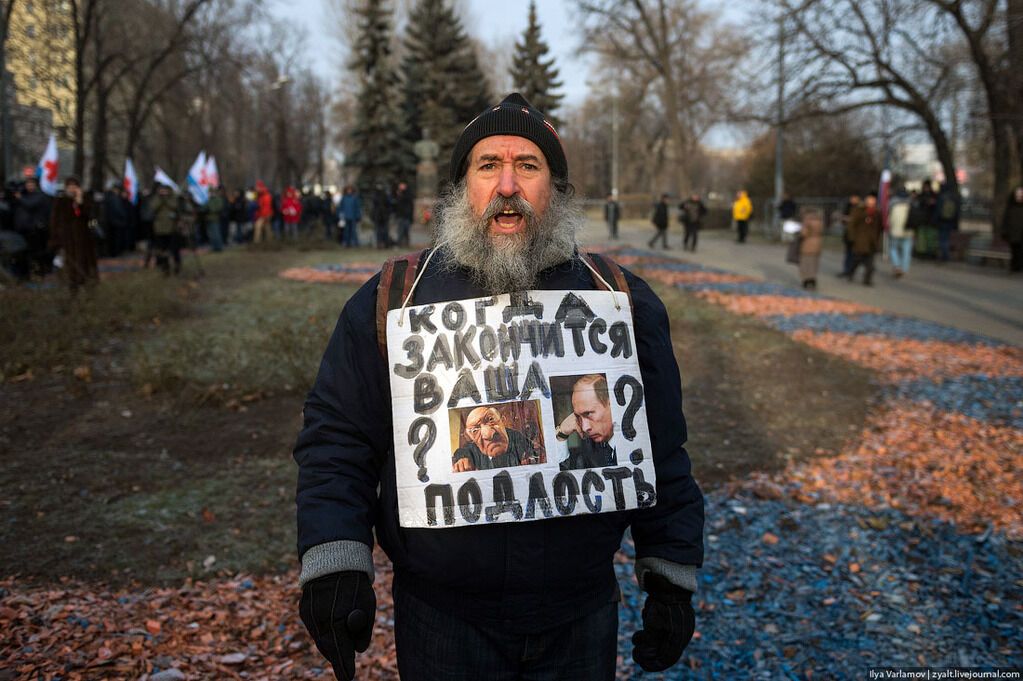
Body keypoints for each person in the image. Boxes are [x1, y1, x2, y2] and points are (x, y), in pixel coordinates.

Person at [295, 92, 704, 681]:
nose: (507, 185)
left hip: (580, 613)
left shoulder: (619, 300)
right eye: (488, 166)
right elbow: (337, 439)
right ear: (464, 186)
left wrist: (670, 575)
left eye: (528, 166)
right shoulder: (393, 298)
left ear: (555, 191)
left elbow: (661, 447)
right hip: (443, 619)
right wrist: (335, 562)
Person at [555, 374, 620, 470]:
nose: (585, 428)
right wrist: (562, 433)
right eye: (578, 417)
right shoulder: (590, 448)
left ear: (611, 404)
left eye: (588, 413)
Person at [48, 177, 98, 292]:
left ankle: (87, 285)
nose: (72, 189)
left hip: (84, 239)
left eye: (74, 186)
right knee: (69, 265)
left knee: (84, 263)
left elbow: (91, 218)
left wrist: (80, 202)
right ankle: (71, 288)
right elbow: (54, 220)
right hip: (66, 239)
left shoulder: (85, 199)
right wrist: (56, 238)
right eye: (69, 186)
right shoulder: (61, 201)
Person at [451, 406, 537, 472]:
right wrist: (462, 459)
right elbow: (462, 452)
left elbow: (531, 449)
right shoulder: (472, 447)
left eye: (491, 420)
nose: (488, 434)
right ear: (471, 437)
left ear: (502, 421)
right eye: (475, 430)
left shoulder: (516, 436)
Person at [12, 175, 52, 280]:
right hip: (22, 230)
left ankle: (40, 274)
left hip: (35, 231)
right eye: (27, 184)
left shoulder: (39, 196)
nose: (29, 186)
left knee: (36, 254)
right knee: (22, 254)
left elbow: (30, 205)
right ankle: (24, 275)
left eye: (32, 183)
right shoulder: (24, 195)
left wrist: (19, 197)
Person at [846, 191, 881, 286]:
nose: (871, 201)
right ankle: (850, 273)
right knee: (856, 260)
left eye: (873, 199)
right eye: (870, 199)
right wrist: (852, 237)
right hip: (859, 240)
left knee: (870, 264)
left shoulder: (877, 212)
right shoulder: (859, 210)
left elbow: (879, 227)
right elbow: (852, 224)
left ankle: (867, 279)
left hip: (871, 241)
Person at [887, 187, 913, 278]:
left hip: (895, 230)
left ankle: (897, 265)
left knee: (893, 248)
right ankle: (904, 268)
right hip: (908, 230)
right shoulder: (911, 204)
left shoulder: (892, 204)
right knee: (906, 250)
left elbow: (889, 218)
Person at [797, 208, 824, 290]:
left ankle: (806, 280)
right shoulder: (820, 221)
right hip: (817, 243)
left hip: (807, 244)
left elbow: (804, 233)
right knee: (814, 263)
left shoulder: (807, 221)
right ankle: (813, 279)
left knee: (806, 263)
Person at [934, 182, 960, 262]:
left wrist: (935, 220)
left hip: (942, 221)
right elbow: (957, 212)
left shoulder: (941, 197)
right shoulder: (954, 197)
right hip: (950, 221)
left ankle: (945, 255)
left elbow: (938, 210)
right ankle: (945, 255)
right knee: (946, 238)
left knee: (942, 238)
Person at [837, 194, 861, 276]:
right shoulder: (847, 207)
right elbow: (843, 219)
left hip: (857, 235)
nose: (853, 200)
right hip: (848, 234)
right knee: (848, 254)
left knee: (855, 255)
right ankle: (846, 270)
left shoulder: (860, 208)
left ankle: (851, 271)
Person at [1001, 186, 1023, 273]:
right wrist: (1005, 231)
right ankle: (1015, 266)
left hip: (1021, 234)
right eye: (1018, 196)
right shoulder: (1010, 208)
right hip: (1013, 234)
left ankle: (1018, 266)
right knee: (1015, 251)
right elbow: (1006, 220)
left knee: (1020, 251)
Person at [371, 183, 392, 248]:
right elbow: (374, 207)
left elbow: (389, 205)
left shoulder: (385, 195)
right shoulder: (375, 195)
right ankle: (380, 243)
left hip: (384, 215)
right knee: (379, 231)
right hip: (378, 215)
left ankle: (385, 243)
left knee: (384, 231)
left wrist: (387, 213)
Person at [394, 181, 414, 248]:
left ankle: (406, 244)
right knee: (400, 231)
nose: (401, 186)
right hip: (400, 215)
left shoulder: (407, 194)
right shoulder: (398, 194)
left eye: (402, 185)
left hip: (406, 215)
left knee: (406, 231)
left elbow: (410, 204)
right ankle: (399, 244)